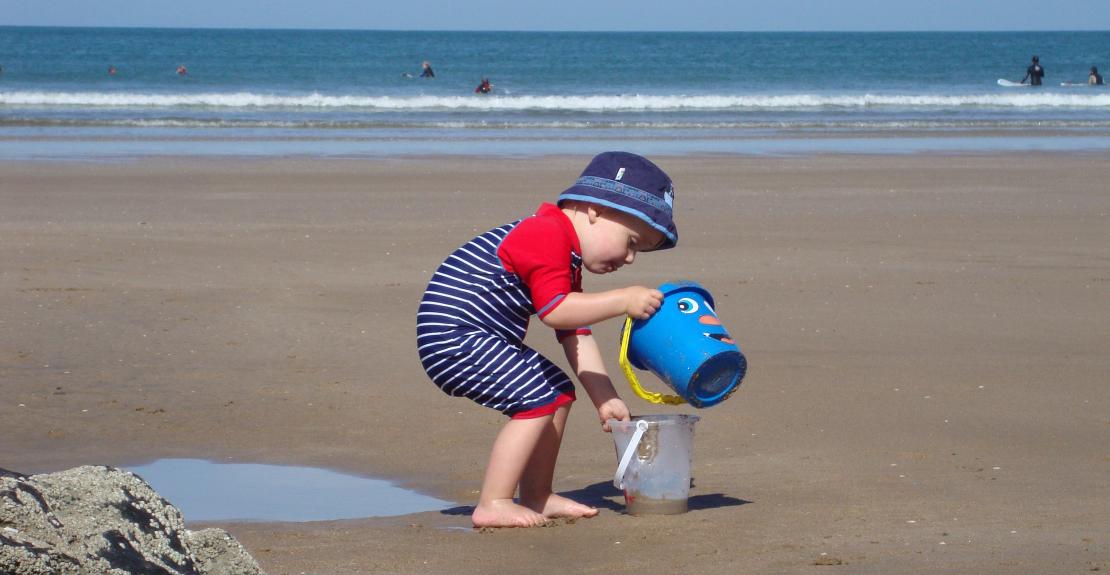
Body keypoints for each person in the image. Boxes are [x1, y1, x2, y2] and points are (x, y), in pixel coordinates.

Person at [416, 151, 678, 528]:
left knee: (556, 391)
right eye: (632, 241)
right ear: (594, 209)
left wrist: (605, 397)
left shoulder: (562, 252)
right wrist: (622, 300)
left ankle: (536, 495)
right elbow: (557, 311)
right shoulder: (546, 234)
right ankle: (494, 501)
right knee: (537, 400)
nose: (631, 258)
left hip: (474, 335)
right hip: (457, 335)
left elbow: (575, 331)